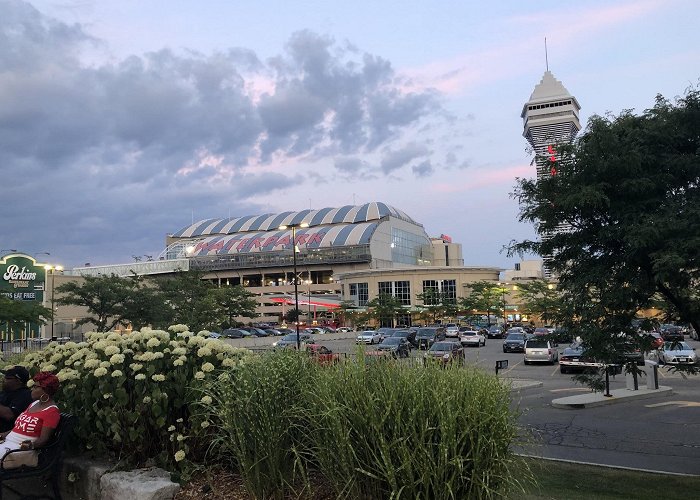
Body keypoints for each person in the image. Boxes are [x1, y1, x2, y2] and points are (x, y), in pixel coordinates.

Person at [0, 372, 61, 460]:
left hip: (19, 451)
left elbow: (43, 439)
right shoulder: (33, 404)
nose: (32, 390)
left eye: (36, 387)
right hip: (7, 444)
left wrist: (26, 446)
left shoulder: (51, 412)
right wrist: (2, 435)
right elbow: (17, 429)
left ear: (46, 390)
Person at [0, 366, 33, 433]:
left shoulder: (25, 395)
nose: (4, 379)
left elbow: (9, 415)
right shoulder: (4, 392)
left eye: (8, 378)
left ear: (19, 381)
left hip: (7, 435)